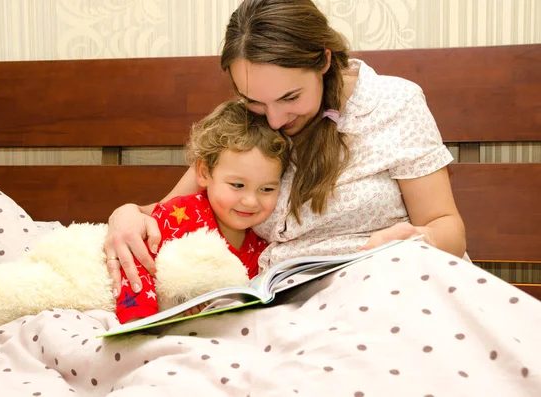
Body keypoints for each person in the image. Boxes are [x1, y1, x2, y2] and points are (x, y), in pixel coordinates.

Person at [105, 0, 466, 298]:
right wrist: (125, 214)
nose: (275, 120)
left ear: (324, 61)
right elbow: (163, 211)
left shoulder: (393, 104)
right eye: (255, 101)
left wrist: (421, 238)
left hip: (388, 290)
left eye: (290, 97)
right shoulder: (243, 125)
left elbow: (447, 227)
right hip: (278, 304)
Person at [114, 100, 290, 323]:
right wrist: (139, 317)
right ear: (205, 173)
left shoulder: (262, 247)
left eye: (267, 189)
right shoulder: (181, 214)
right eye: (237, 185)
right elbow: (137, 258)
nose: (250, 201)